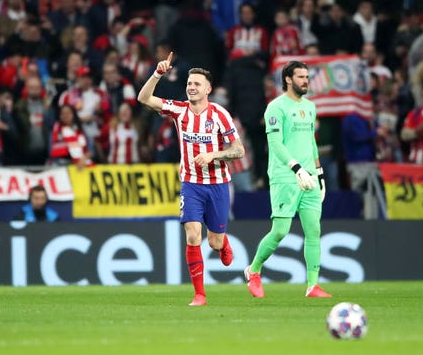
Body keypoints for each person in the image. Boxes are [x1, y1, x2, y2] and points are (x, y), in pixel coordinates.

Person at [137, 52, 245, 307]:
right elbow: (143, 98)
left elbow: (239, 150)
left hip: (218, 184)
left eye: (197, 84)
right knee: (193, 236)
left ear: (208, 89)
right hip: (191, 184)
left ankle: (222, 241)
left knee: (215, 241)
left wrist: (214, 155)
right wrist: (157, 74)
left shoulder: (220, 115)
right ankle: (199, 295)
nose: (191, 87)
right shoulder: (179, 110)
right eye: (189, 83)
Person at [244, 60, 332, 299]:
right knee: (281, 231)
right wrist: (296, 168)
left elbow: (312, 143)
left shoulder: (310, 107)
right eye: (301, 77)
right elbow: (275, 143)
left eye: (307, 76)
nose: (306, 81)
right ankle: (253, 270)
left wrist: (319, 173)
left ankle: (312, 286)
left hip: (310, 177)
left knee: (314, 230)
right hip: (286, 176)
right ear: (288, 80)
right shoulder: (275, 107)